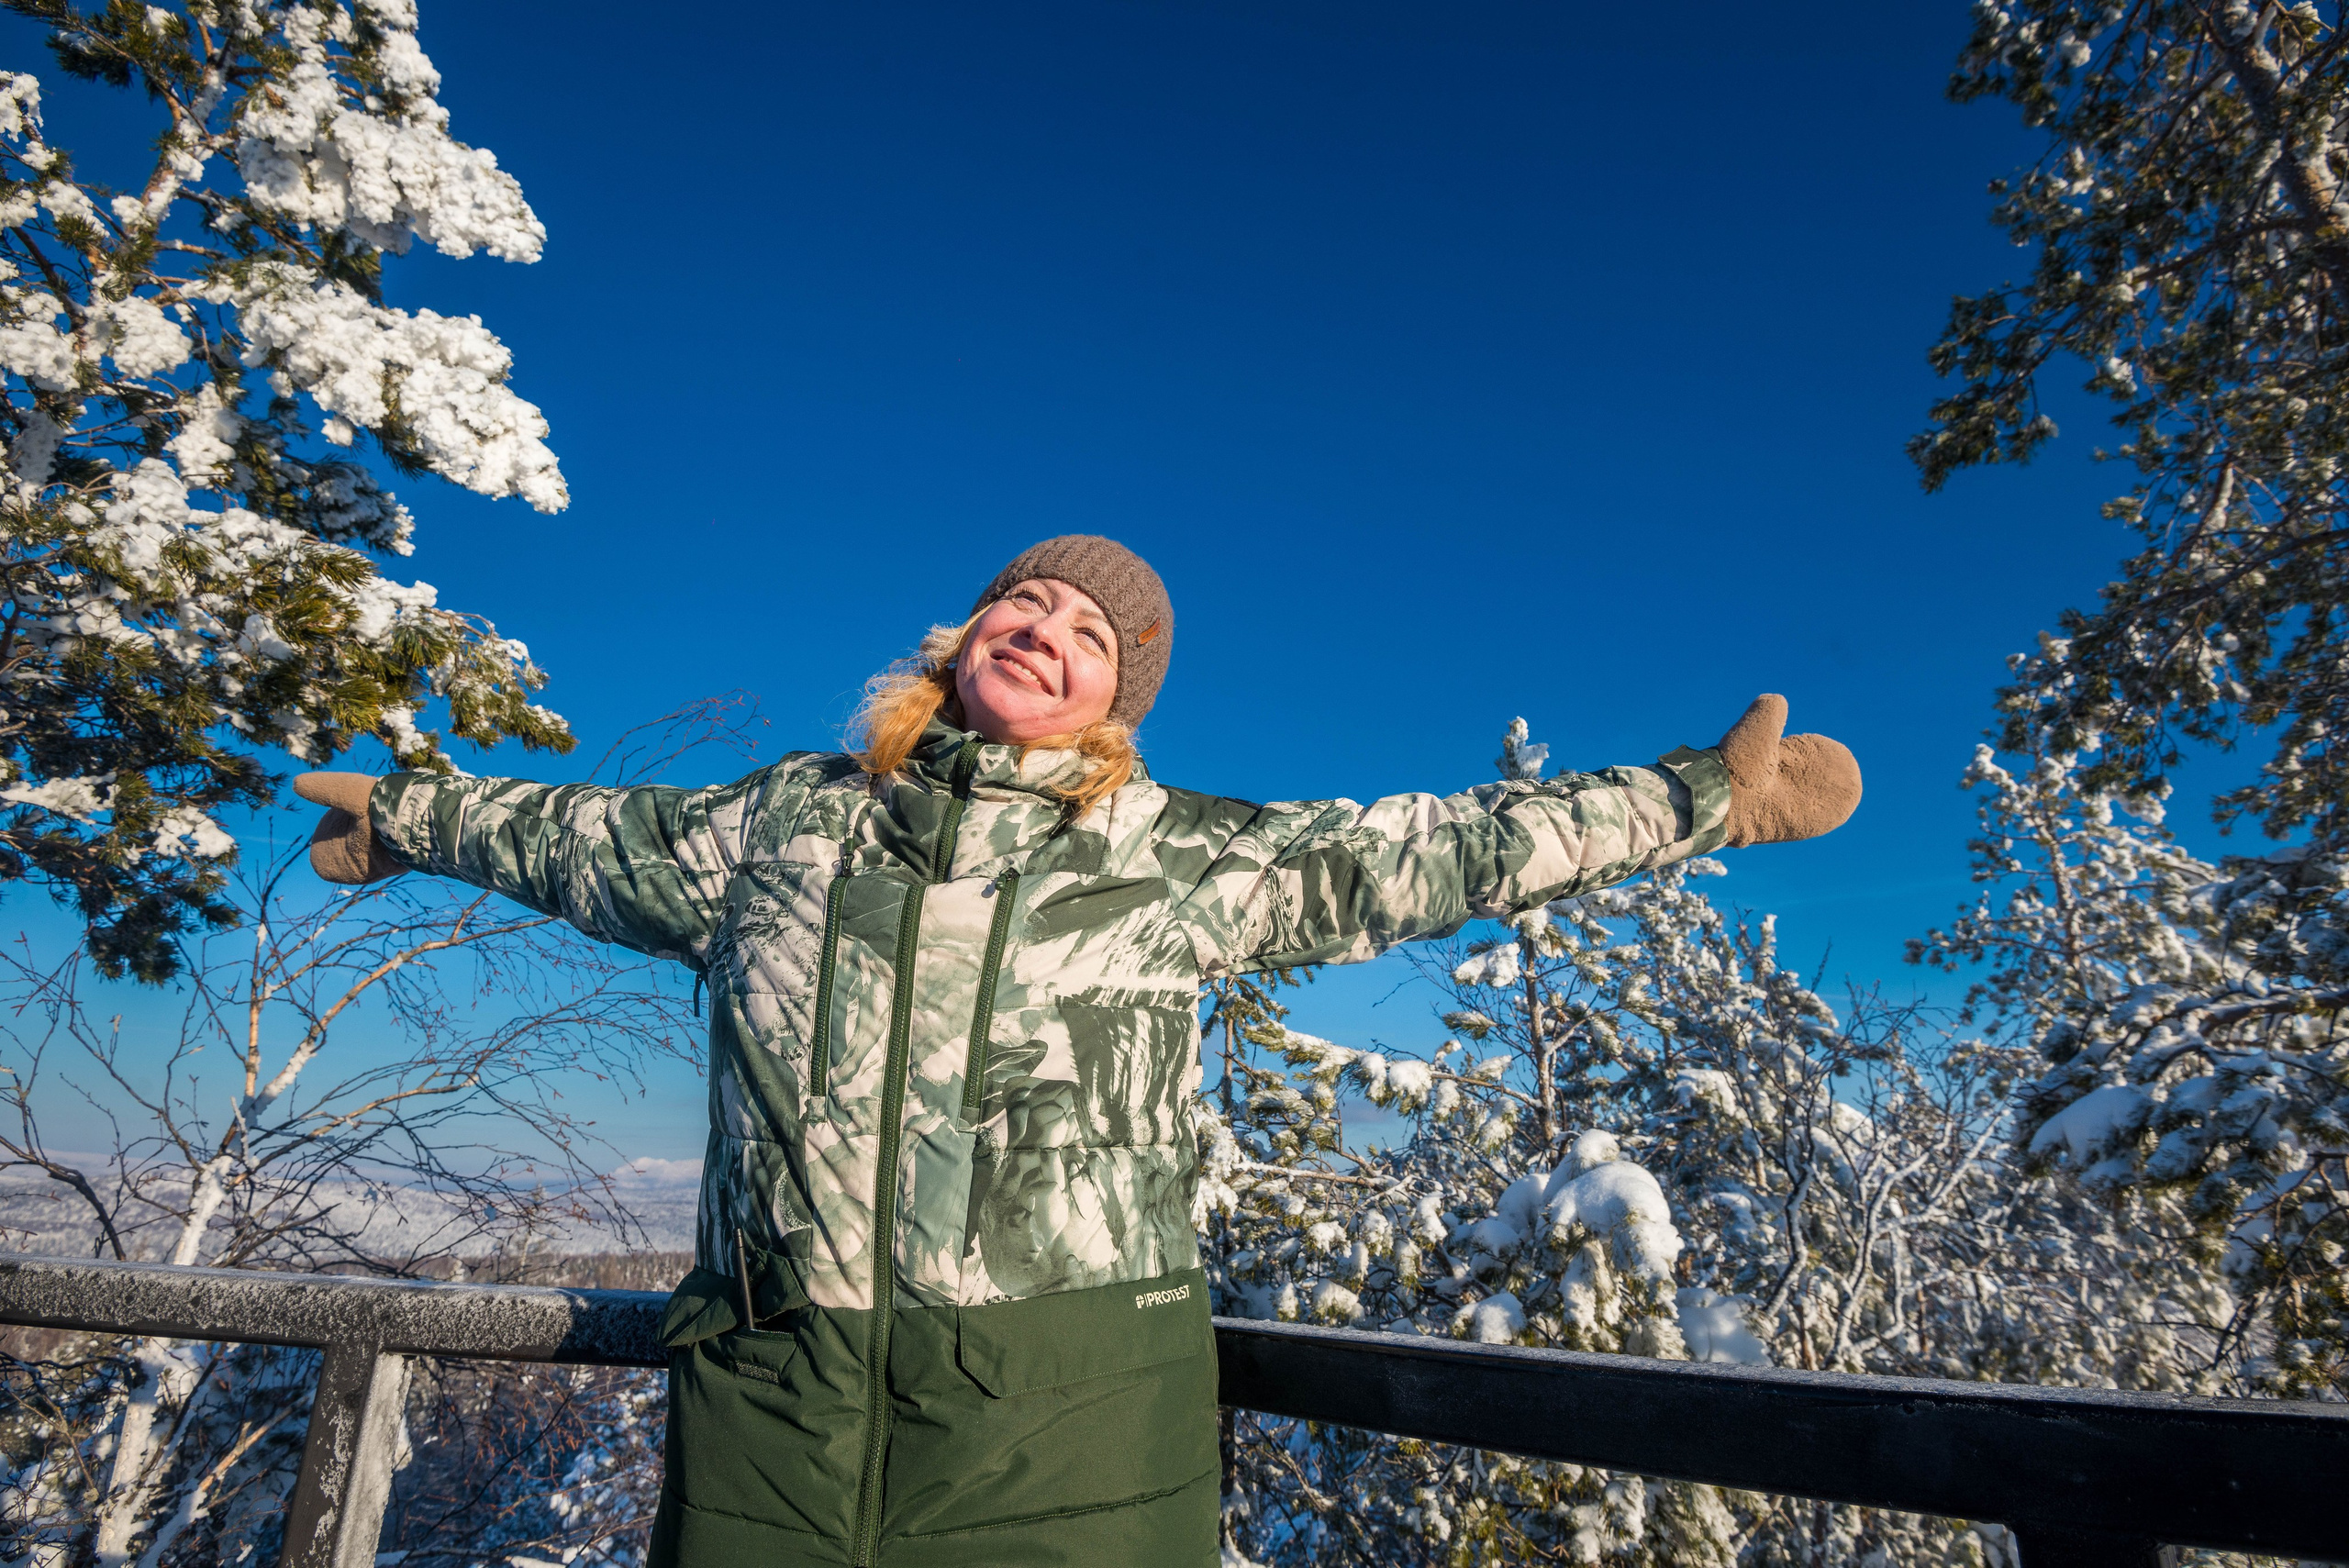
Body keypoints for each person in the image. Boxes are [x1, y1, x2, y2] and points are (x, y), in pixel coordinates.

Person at [295, 535, 1860, 1568]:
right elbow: (580, 831)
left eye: (1091, 633)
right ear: (960, 635)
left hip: (1065, 1422)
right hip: (773, 1409)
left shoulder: (1168, 854)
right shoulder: (781, 824)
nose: (1046, 631)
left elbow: (1434, 848)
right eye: (1025, 603)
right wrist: (408, 811)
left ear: (1119, 698)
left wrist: (1691, 799)